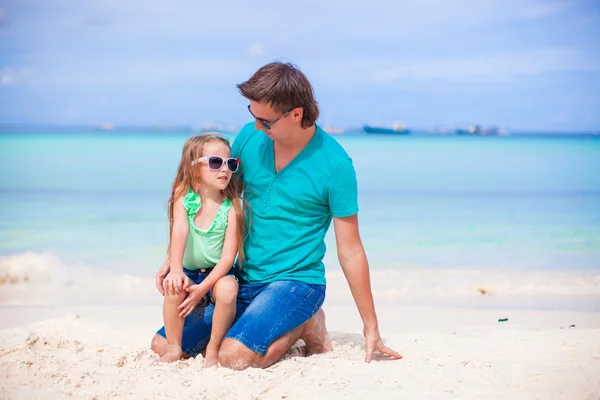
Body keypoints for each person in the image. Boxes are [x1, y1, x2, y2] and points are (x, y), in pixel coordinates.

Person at [152, 62, 402, 369]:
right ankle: (254, 322)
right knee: (163, 344)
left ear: (296, 114)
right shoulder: (249, 137)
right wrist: (172, 260)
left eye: (266, 121)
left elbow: (350, 250)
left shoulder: (336, 166)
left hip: (295, 281)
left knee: (232, 357)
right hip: (240, 277)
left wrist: (370, 324)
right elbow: (214, 198)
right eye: (253, 115)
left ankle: (306, 323)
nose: (257, 126)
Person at [155, 134, 244, 366]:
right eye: (215, 162)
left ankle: (213, 350)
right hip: (190, 270)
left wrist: (203, 287)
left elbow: (227, 258)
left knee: (227, 290)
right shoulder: (184, 199)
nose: (224, 169)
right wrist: (174, 269)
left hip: (217, 274)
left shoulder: (232, 207)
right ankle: (174, 348)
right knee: (174, 286)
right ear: (195, 170)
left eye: (230, 163)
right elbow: (180, 232)